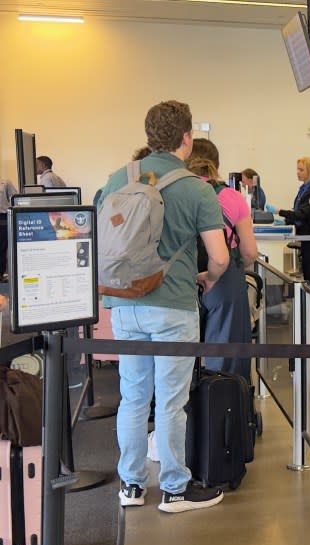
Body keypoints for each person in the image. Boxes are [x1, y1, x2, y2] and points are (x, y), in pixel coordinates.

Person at [99, 100, 229, 513]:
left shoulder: (118, 177)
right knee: (171, 401)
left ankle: (132, 486)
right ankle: (174, 488)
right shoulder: (196, 187)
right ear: (187, 138)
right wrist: (209, 278)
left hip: (124, 302)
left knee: (133, 398)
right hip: (172, 305)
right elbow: (220, 257)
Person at [187, 143, 259, 384]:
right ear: (216, 163)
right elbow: (249, 252)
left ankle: (183, 415)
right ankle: (223, 411)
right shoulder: (231, 196)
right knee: (227, 359)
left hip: (183, 279)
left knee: (179, 357)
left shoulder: (176, 193)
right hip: (224, 279)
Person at [277, 157, 310, 284]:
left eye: (301, 170)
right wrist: (287, 221)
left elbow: (302, 214)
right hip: (306, 236)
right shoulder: (303, 189)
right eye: (297, 169)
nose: (297, 172)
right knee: (307, 272)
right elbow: (297, 211)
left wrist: (279, 212)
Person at [0, 178, 16, 280]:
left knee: (1, 247)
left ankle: (0, 274)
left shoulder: (5, 182)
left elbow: (15, 198)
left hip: (2, 218)